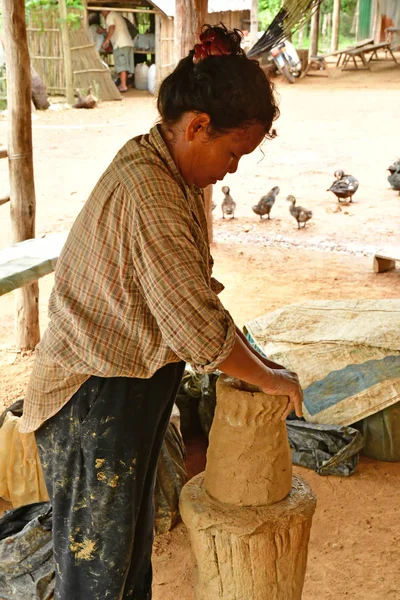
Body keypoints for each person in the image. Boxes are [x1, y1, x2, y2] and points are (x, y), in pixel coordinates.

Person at [20, 24, 303, 600]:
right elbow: (198, 331)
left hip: (129, 384)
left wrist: (260, 363)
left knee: (126, 553)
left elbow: (200, 304)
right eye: (232, 152)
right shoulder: (150, 190)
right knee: (97, 571)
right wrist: (269, 377)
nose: (232, 169)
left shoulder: (163, 169)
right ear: (197, 126)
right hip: (92, 397)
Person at [101, 10, 135, 92]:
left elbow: (112, 27)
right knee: (125, 65)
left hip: (120, 44)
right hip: (128, 43)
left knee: (121, 65)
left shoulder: (110, 16)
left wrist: (107, 40)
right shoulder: (117, 15)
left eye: (102, 12)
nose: (102, 14)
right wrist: (103, 31)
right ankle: (124, 83)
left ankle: (123, 85)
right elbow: (111, 28)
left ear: (106, 10)